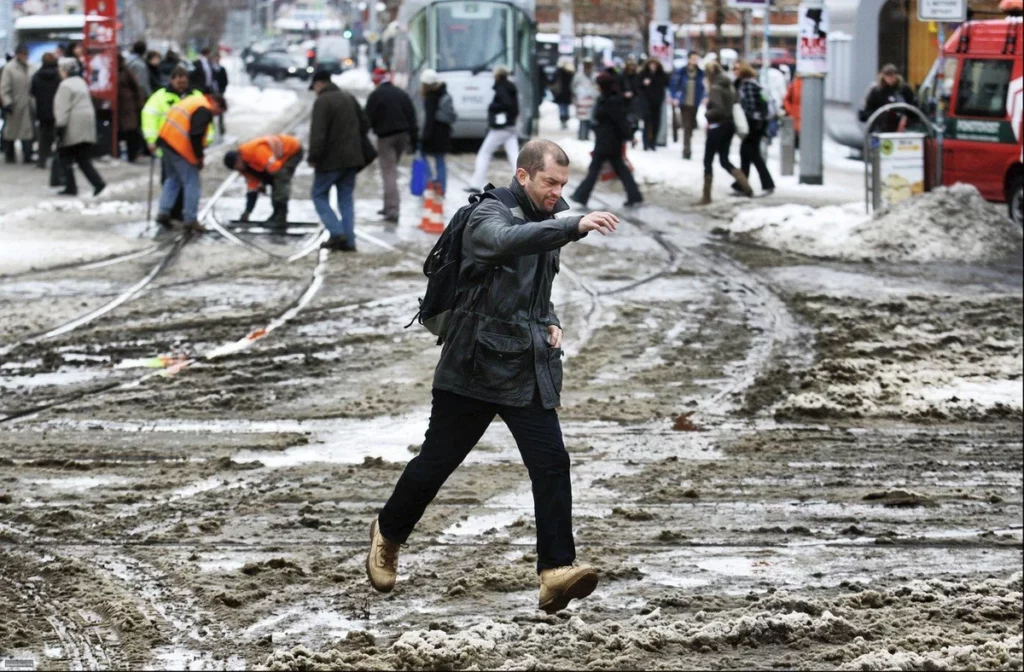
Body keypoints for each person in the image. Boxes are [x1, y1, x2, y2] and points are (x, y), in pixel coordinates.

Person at [366, 139, 620, 614]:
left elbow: (537, 289)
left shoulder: (549, 214)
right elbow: (506, 242)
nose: (557, 192)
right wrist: (568, 226)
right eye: (550, 182)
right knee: (437, 463)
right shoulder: (488, 214)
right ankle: (389, 532)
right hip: (473, 364)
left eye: (563, 185)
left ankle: (555, 572)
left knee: (551, 463)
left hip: (527, 364)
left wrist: (551, 317)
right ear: (523, 176)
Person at [307, 69, 369, 252]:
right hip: (352, 159)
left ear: (319, 84)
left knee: (318, 194)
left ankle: (336, 232)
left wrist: (313, 157)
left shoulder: (322, 101)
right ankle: (349, 241)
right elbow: (365, 124)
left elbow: (318, 134)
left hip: (329, 161)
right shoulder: (348, 97)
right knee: (345, 199)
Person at [142, 65, 207, 224]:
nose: (181, 84)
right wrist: (151, 141)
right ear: (172, 80)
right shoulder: (160, 96)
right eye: (178, 81)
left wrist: (205, 142)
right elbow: (149, 118)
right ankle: (178, 214)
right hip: (170, 145)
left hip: (185, 147)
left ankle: (171, 211)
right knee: (177, 180)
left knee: (175, 180)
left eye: (184, 81)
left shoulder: (195, 96)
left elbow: (205, 124)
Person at [154, 92, 227, 232]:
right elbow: (195, 135)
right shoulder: (204, 109)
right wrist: (198, 157)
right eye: (218, 112)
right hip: (179, 146)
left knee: (172, 179)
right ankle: (190, 219)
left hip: (166, 142)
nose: (215, 115)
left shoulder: (193, 101)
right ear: (216, 103)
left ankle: (163, 212)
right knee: (192, 183)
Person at [569, 72, 643, 208]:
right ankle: (634, 195)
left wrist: (629, 136)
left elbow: (620, 121)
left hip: (609, 141)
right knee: (619, 169)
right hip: (607, 140)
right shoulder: (607, 99)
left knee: (596, 169)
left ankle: (581, 195)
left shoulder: (612, 101)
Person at [365, 67, 418, 223]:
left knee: (389, 173)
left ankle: (392, 209)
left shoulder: (375, 95)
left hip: (385, 138)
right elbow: (412, 116)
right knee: (392, 171)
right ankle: (387, 205)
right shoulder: (401, 93)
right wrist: (414, 141)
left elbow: (367, 118)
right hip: (403, 136)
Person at [699, 61, 752, 204]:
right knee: (724, 159)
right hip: (729, 126)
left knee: (708, 160)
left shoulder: (715, 88)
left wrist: (707, 114)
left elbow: (719, 109)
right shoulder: (729, 85)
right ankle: (746, 187)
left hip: (717, 126)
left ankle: (706, 196)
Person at [224, 134, 304, 227]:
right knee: (276, 183)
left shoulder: (255, 152)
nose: (239, 170)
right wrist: (247, 212)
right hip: (279, 160)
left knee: (279, 182)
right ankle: (276, 214)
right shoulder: (245, 167)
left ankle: (280, 217)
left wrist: (267, 182)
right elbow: (252, 189)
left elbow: (276, 170)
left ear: (238, 159)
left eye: (236, 167)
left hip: (292, 150)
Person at [53, 58, 105, 197]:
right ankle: (96, 182)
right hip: (86, 124)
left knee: (66, 156)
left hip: (72, 126)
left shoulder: (65, 86)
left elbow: (62, 109)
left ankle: (71, 186)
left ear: (64, 71)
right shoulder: (81, 82)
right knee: (82, 157)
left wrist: (59, 128)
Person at [467, 66, 520, 192]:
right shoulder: (510, 87)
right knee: (514, 155)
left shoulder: (501, 87)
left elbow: (505, 104)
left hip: (500, 128)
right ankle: (522, 181)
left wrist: (493, 107)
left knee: (484, 154)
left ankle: (476, 183)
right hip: (510, 126)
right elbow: (514, 107)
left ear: (497, 75)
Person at [732, 60, 775, 196]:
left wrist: (742, 119)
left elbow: (750, 107)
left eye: (737, 68)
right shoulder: (748, 83)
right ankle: (743, 184)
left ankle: (764, 184)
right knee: (747, 154)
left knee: (751, 154)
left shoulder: (748, 85)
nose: (734, 71)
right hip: (756, 123)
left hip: (753, 124)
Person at [419, 69, 454, 195]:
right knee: (440, 161)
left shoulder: (431, 97)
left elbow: (429, 119)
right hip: (444, 133)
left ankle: (431, 183)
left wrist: (424, 137)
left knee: (422, 155)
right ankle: (441, 188)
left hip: (434, 134)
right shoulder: (443, 92)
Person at [1, 44, 35, 164]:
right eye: (24, 54)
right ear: (18, 54)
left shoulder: (31, 67)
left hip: (27, 104)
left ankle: (27, 155)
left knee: (27, 131)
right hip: (14, 105)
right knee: (11, 131)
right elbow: (4, 88)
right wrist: (7, 103)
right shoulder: (9, 68)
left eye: (27, 54)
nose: (26, 57)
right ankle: (10, 155)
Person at [859, 63, 917, 132]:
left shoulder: (905, 89)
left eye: (892, 76)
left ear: (896, 76)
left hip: (902, 127)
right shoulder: (876, 91)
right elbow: (868, 110)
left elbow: (913, 107)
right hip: (881, 127)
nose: (890, 78)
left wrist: (906, 119)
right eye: (888, 76)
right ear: (883, 76)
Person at [669, 51, 704, 159]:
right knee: (687, 126)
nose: (695, 60)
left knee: (691, 126)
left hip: (695, 102)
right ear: (688, 59)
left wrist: (704, 97)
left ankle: (687, 144)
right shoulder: (682, 71)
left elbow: (703, 87)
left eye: (696, 58)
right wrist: (674, 97)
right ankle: (686, 150)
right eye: (693, 58)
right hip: (684, 103)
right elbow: (674, 85)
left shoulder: (701, 73)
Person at [31, 52, 61, 172]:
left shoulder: (37, 76)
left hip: (42, 111)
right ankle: (58, 161)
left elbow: (33, 92)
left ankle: (42, 160)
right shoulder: (59, 76)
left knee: (43, 137)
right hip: (56, 110)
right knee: (57, 137)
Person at [117, 54, 146, 163]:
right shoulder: (111, 71)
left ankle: (132, 155)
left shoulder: (126, 71)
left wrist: (139, 104)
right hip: (119, 106)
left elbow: (136, 87)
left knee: (131, 131)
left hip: (128, 106)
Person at [639, 58, 669, 151]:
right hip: (646, 101)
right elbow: (638, 86)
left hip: (657, 101)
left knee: (656, 122)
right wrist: (644, 84)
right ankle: (646, 143)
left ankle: (653, 142)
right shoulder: (643, 74)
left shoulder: (661, 74)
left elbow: (666, 83)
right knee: (647, 122)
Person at [571, 58, 598, 141]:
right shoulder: (578, 76)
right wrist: (579, 94)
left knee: (590, 120)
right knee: (582, 120)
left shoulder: (595, 76)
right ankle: (582, 136)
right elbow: (573, 87)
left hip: (592, 101)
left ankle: (586, 136)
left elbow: (597, 87)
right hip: (582, 102)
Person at [618, 55, 644, 133]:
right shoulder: (622, 75)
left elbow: (640, 88)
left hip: (635, 101)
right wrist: (624, 94)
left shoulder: (638, 76)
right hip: (624, 101)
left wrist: (634, 93)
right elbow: (618, 87)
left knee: (634, 121)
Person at [551, 58, 575, 130]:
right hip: (567, 91)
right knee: (565, 107)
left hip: (561, 91)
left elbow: (554, 80)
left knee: (562, 107)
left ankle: (562, 121)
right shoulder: (570, 72)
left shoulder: (558, 71)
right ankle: (565, 120)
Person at [783, 76, 802, 149]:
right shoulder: (795, 84)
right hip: (795, 113)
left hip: (805, 115)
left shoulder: (813, 84)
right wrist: (789, 110)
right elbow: (786, 99)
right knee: (795, 135)